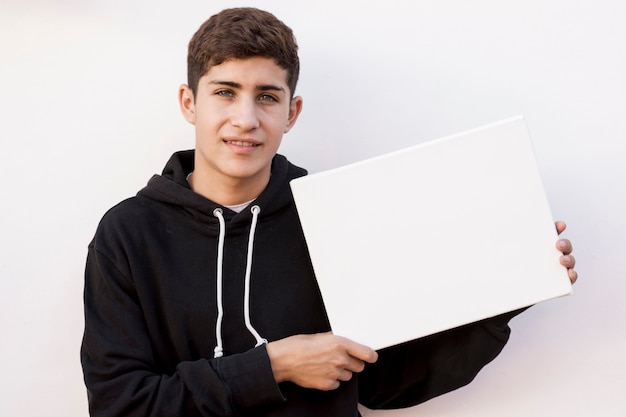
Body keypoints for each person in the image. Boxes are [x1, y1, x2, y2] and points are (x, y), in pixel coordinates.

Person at [80, 7, 578, 417]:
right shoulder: (127, 234)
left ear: (291, 113)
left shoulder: (337, 214)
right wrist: (272, 366)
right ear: (190, 102)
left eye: (267, 97)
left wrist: (512, 289)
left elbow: (383, 384)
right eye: (225, 92)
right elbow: (119, 406)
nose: (245, 119)